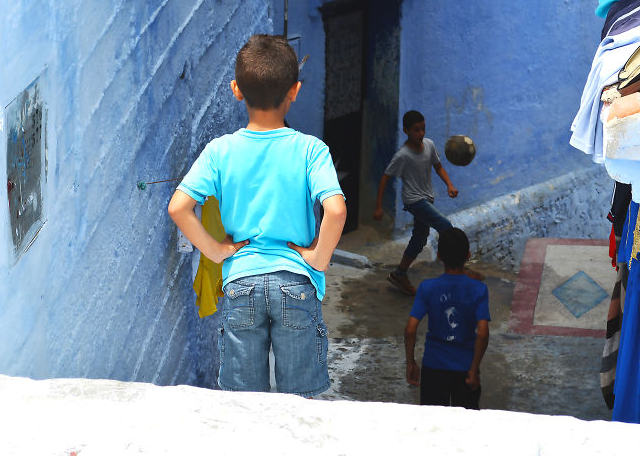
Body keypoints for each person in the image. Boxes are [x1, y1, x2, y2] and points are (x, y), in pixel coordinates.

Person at [168, 34, 346, 398]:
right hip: (296, 281)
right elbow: (336, 210)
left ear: (236, 89)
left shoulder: (220, 151)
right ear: (294, 91)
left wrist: (216, 252)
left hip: (241, 282)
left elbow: (179, 207)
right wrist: (318, 258)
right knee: (301, 402)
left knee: (245, 405)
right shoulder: (311, 150)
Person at [373, 110, 459, 295]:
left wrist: (449, 185)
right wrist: (379, 206)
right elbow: (385, 178)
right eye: (416, 130)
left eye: (423, 129)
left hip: (426, 197)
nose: (421, 133)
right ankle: (453, 270)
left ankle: (399, 273)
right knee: (445, 226)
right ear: (406, 131)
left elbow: (438, 167)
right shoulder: (403, 155)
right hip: (414, 200)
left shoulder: (429, 145)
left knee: (419, 238)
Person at [404, 227, 490, 408]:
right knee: (466, 424)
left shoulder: (427, 288)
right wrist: (474, 370)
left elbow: (411, 328)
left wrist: (411, 362)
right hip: (465, 368)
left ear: (439, 256)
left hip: (434, 366)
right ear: (468, 255)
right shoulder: (478, 289)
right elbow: (482, 333)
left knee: (433, 423)